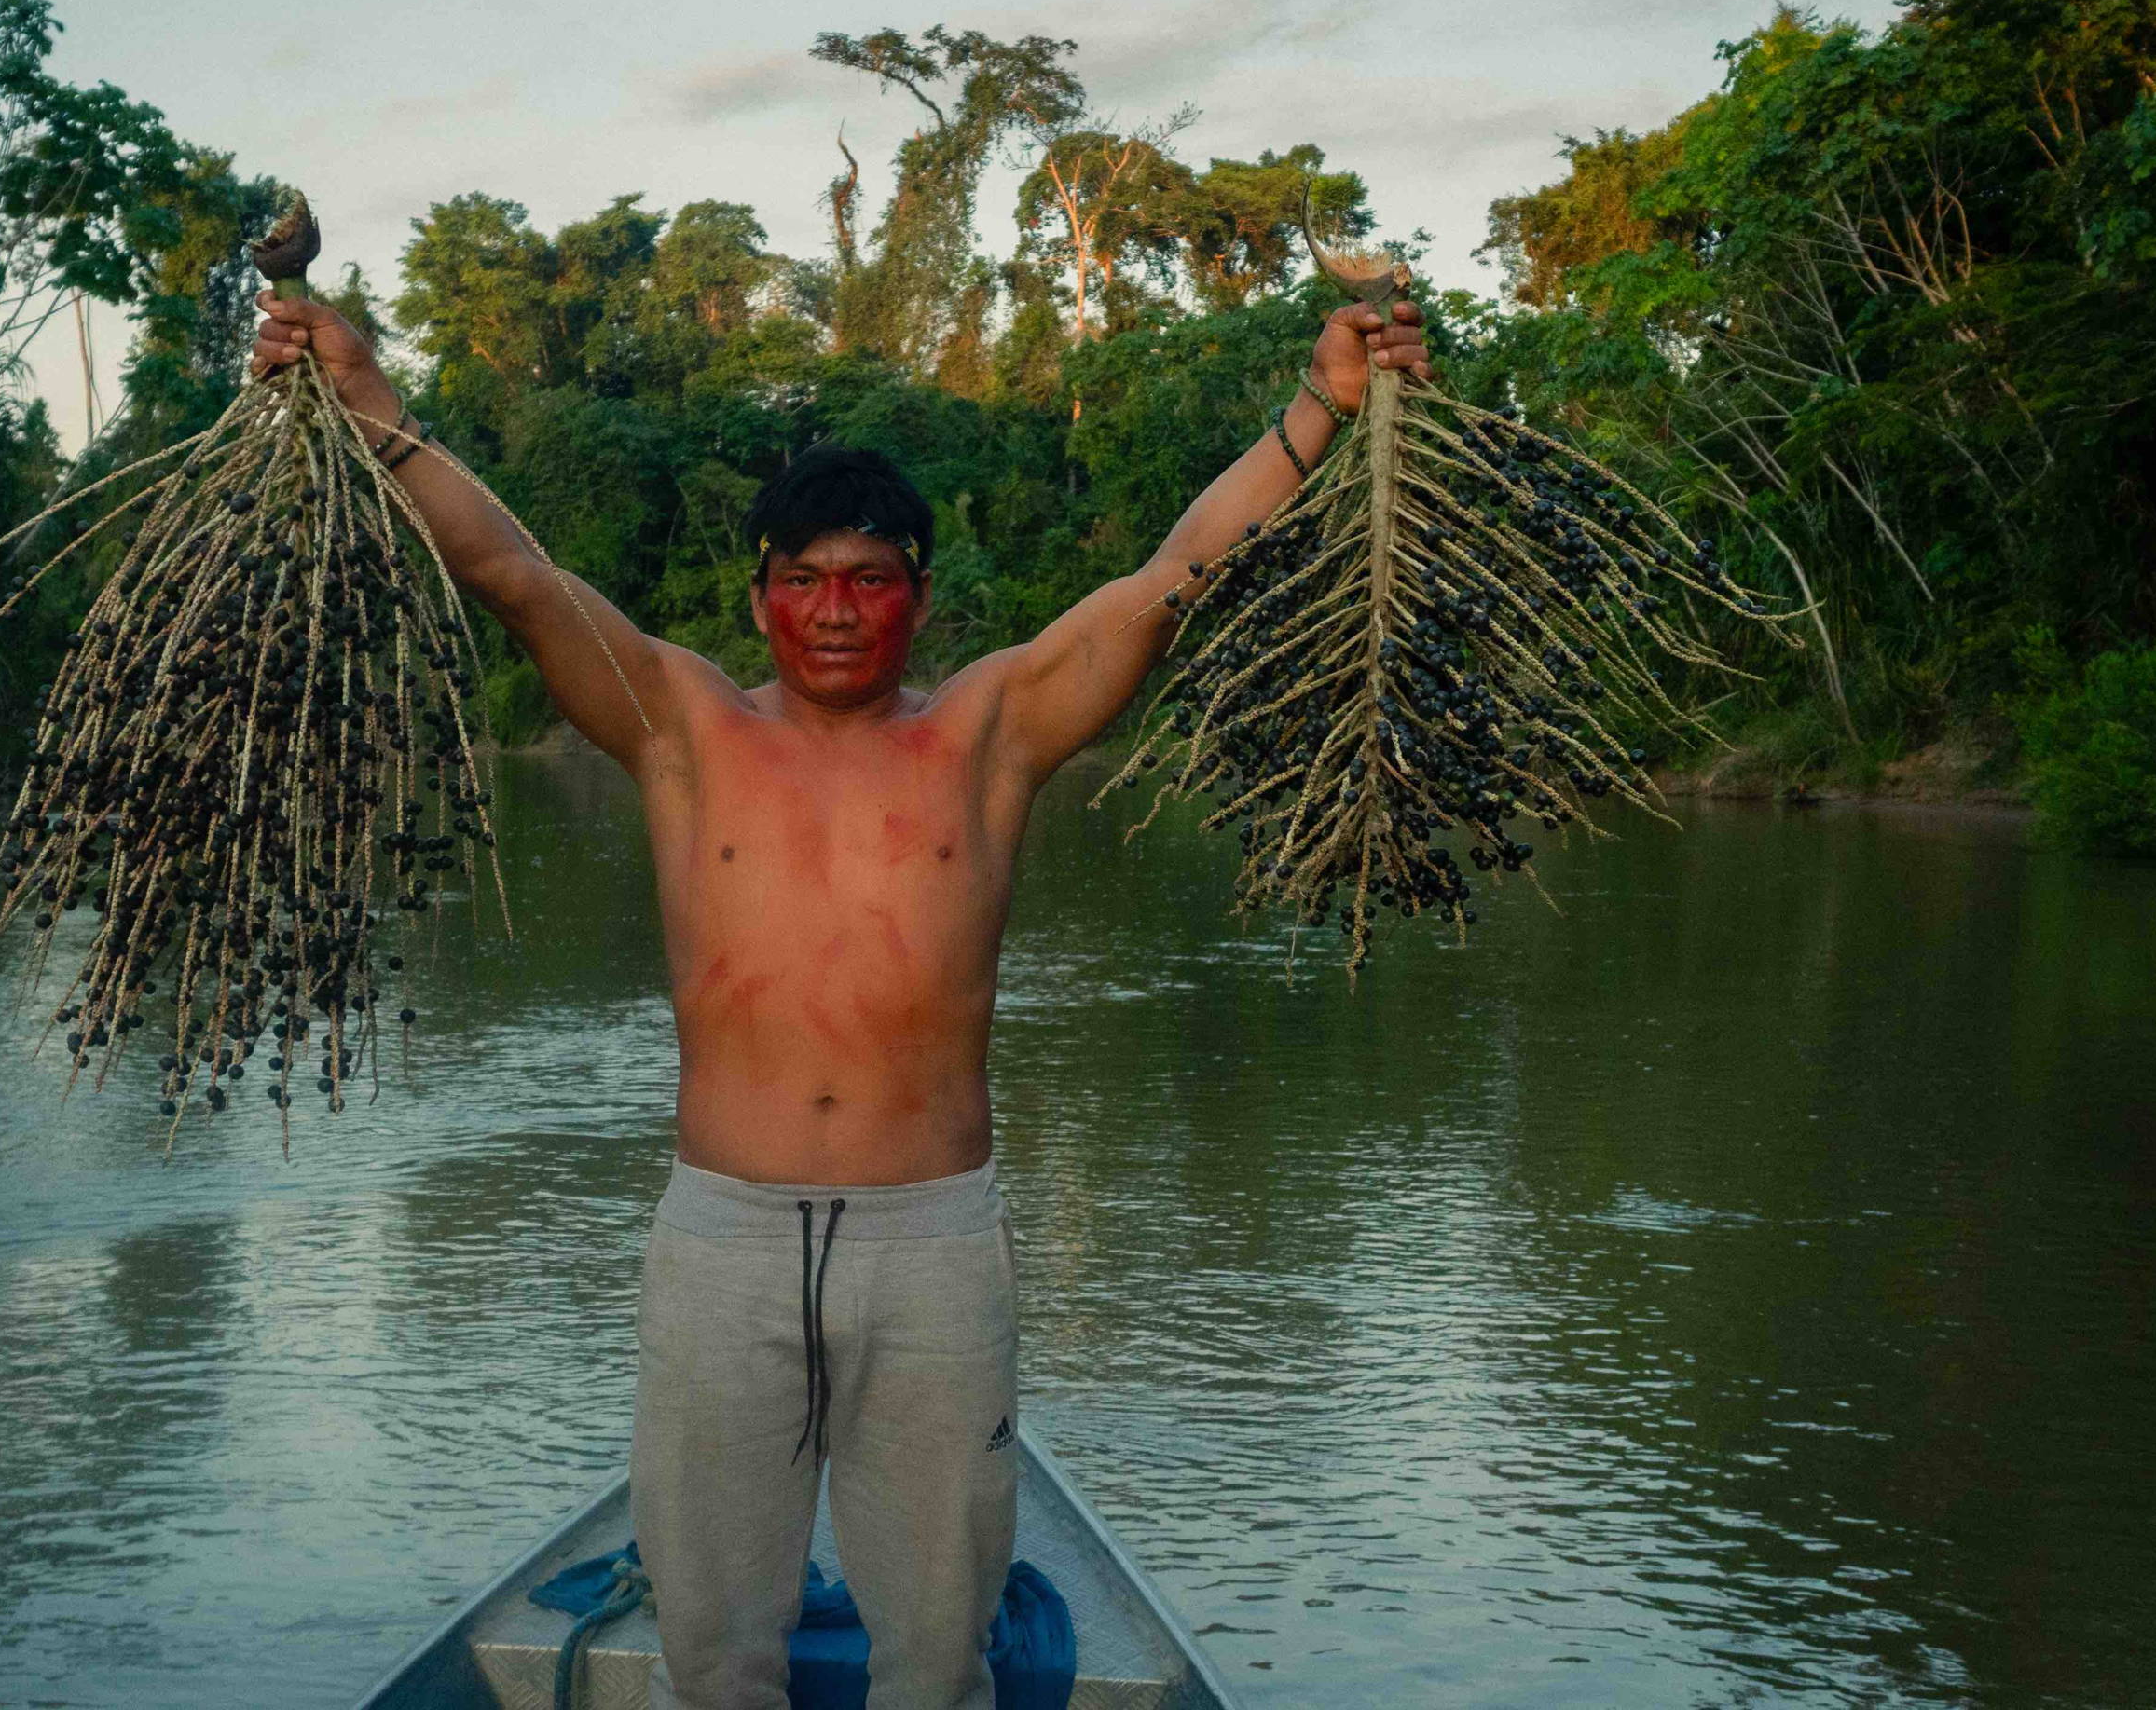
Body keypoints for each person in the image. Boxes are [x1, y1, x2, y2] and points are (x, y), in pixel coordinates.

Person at [252, 288, 1433, 1710]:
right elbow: (511, 569)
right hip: (723, 1245)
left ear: (919, 596)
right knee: (717, 1656)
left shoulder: (989, 733)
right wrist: (375, 412)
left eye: (870, 578)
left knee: (937, 1660)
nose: (834, 610)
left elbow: (1177, 575)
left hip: (932, 1246)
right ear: (757, 594)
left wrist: (1322, 408)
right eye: (804, 578)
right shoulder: (681, 727)